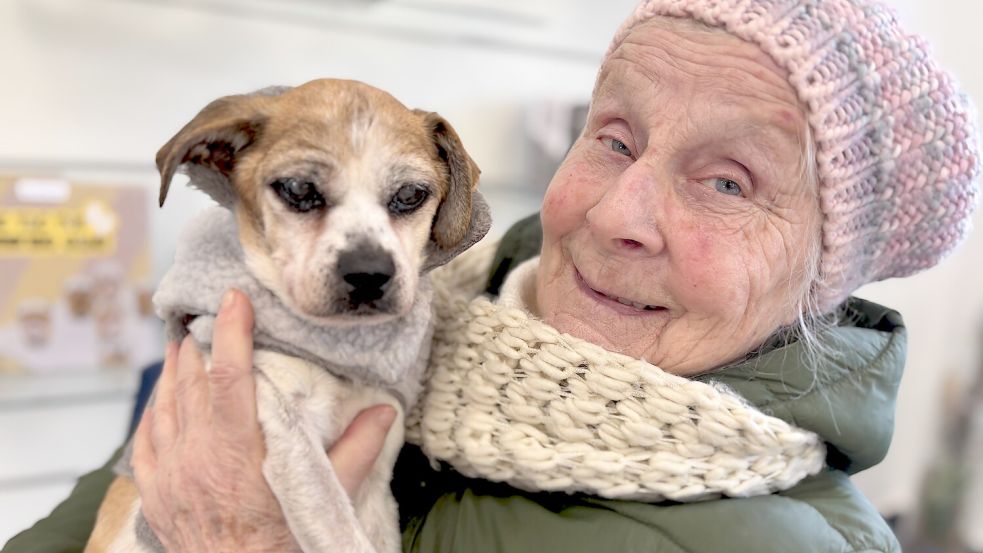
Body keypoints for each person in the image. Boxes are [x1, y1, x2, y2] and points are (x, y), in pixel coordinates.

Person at [5, 0, 979, 551]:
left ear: (822, 268)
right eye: (614, 136)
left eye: (726, 179)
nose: (614, 213)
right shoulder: (421, 316)